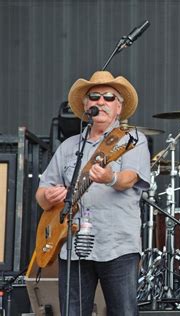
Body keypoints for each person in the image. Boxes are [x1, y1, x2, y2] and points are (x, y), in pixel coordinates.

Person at [35, 71, 150, 315]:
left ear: (119, 107)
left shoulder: (132, 139)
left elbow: (129, 179)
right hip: (74, 245)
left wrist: (111, 178)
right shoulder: (69, 147)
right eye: (94, 97)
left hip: (116, 244)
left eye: (109, 97)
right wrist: (49, 197)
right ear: (86, 105)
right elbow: (42, 192)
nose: (101, 102)